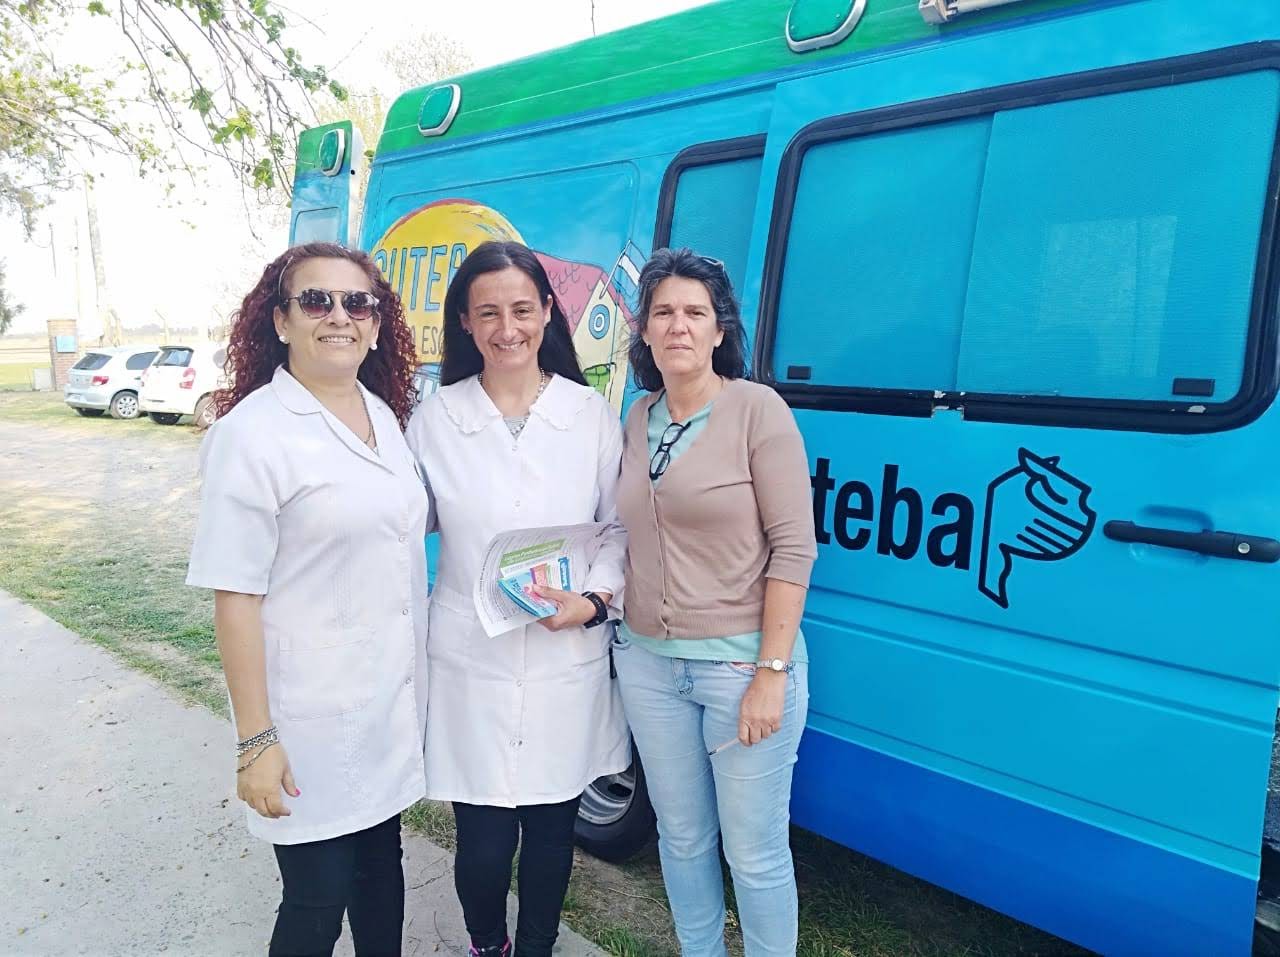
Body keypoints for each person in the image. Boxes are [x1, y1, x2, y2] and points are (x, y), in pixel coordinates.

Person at [186, 242, 429, 956]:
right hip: (307, 720)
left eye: (358, 303)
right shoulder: (251, 434)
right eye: (316, 300)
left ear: (377, 325)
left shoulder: (383, 417)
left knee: (381, 871)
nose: (339, 316)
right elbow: (235, 596)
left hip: (383, 706)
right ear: (281, 321)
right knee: (317, 900)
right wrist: (256, 740)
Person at [405, 240, 628, 957]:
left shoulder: (588, 414)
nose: (508, 329)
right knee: (482, 840)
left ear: (548, 313)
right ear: (465, 323)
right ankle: (487, 943)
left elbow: (617, 526)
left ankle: (536, 947)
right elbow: (399, 523)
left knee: (552, 831)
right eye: (489, 313)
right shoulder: (436, 419)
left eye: (523, 310)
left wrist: (593, 600)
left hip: (565, 654)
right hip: (471, 655)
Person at [612, 248, 817, 956]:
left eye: (695, 313)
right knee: (682, 837)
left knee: (754, 853)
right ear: (644, 329)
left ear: (720, 329)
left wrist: (772, 672)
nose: (678, 326)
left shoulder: (757, 411)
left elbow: (794, 549)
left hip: (740, 670)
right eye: (663, 312)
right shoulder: (638, 416)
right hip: (649, 666)